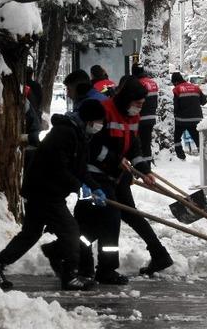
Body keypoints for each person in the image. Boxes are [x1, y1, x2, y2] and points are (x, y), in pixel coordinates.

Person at [0, 99, 107, 291]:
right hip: (44, 191)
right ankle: (69, 276)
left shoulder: (80, 136)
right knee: (71, 231)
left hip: (47, 191)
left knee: (30, 234)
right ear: (88, 120)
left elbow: (79, 170)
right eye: (98, 121)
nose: (99, 126)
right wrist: (80, 188)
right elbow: (58, 169)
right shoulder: (64, 133)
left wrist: (95, 187)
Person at [79, 76, 173, 283]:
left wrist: (144, 170)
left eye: (142, 105)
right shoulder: (103, 110)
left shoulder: (132, 117)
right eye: (137, 104)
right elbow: (92, 147)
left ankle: (159, 254)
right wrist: (115, 160)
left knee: (130, 214)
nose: (139, 109)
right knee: (107, 220)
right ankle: (97, 265)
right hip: (95, 175)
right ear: (126, 99)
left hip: (117, 175)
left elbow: (134, 147)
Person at [171, 72, 207, 160]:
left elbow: (176, 106)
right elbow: (204, 101)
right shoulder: (195, 88)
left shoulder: (177, 89)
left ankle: (181, 157)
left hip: (182, 120)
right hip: (196, 119)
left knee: (177, 139)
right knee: (198, 139)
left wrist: (176, 115)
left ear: (175, 82)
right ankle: (204, 157)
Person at [131, 64, 159, 167]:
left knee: (138, 144)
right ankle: (147, 165)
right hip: (151, 117)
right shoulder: (153, 83)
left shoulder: (137, 83)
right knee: (146, 143)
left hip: (139, 118)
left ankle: (141, 167)